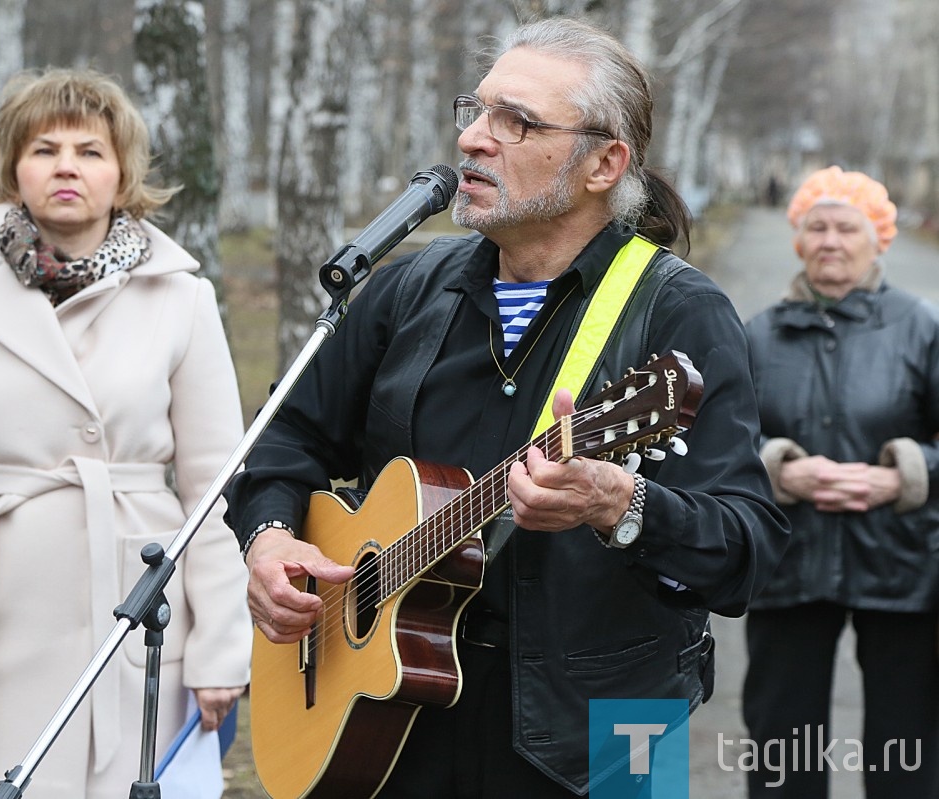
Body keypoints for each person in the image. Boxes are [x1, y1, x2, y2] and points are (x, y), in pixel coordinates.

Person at [224, 16, 789, 799]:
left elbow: (749, 551)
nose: (474, 141)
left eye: (516, 122)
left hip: (607, 734)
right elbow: (286, 437)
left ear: (604, 163)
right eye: (478, 111)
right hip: (391, 718)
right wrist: (269, 537)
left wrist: (625, 503)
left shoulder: (681, 314)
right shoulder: (408, 288)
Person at [0, 68, 252, 799]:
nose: (67, 167)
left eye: (90, 151)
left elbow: (215, 492)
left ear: (123, 173)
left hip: (128, 601)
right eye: (44, 150)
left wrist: (220, 646)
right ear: (14, 168)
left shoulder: (182, 297)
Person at [742, 166, 939, 797]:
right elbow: (719, 442)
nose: (831, 240)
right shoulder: (758, 334)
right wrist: (779, 465)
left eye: (846, 227)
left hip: (903, 563)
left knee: (906, 745)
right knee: (781, 741)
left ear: (878, 237)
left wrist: (906, 474)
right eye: (816, 227)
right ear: (798, 239)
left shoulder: (919, 327)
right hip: (788, 560)